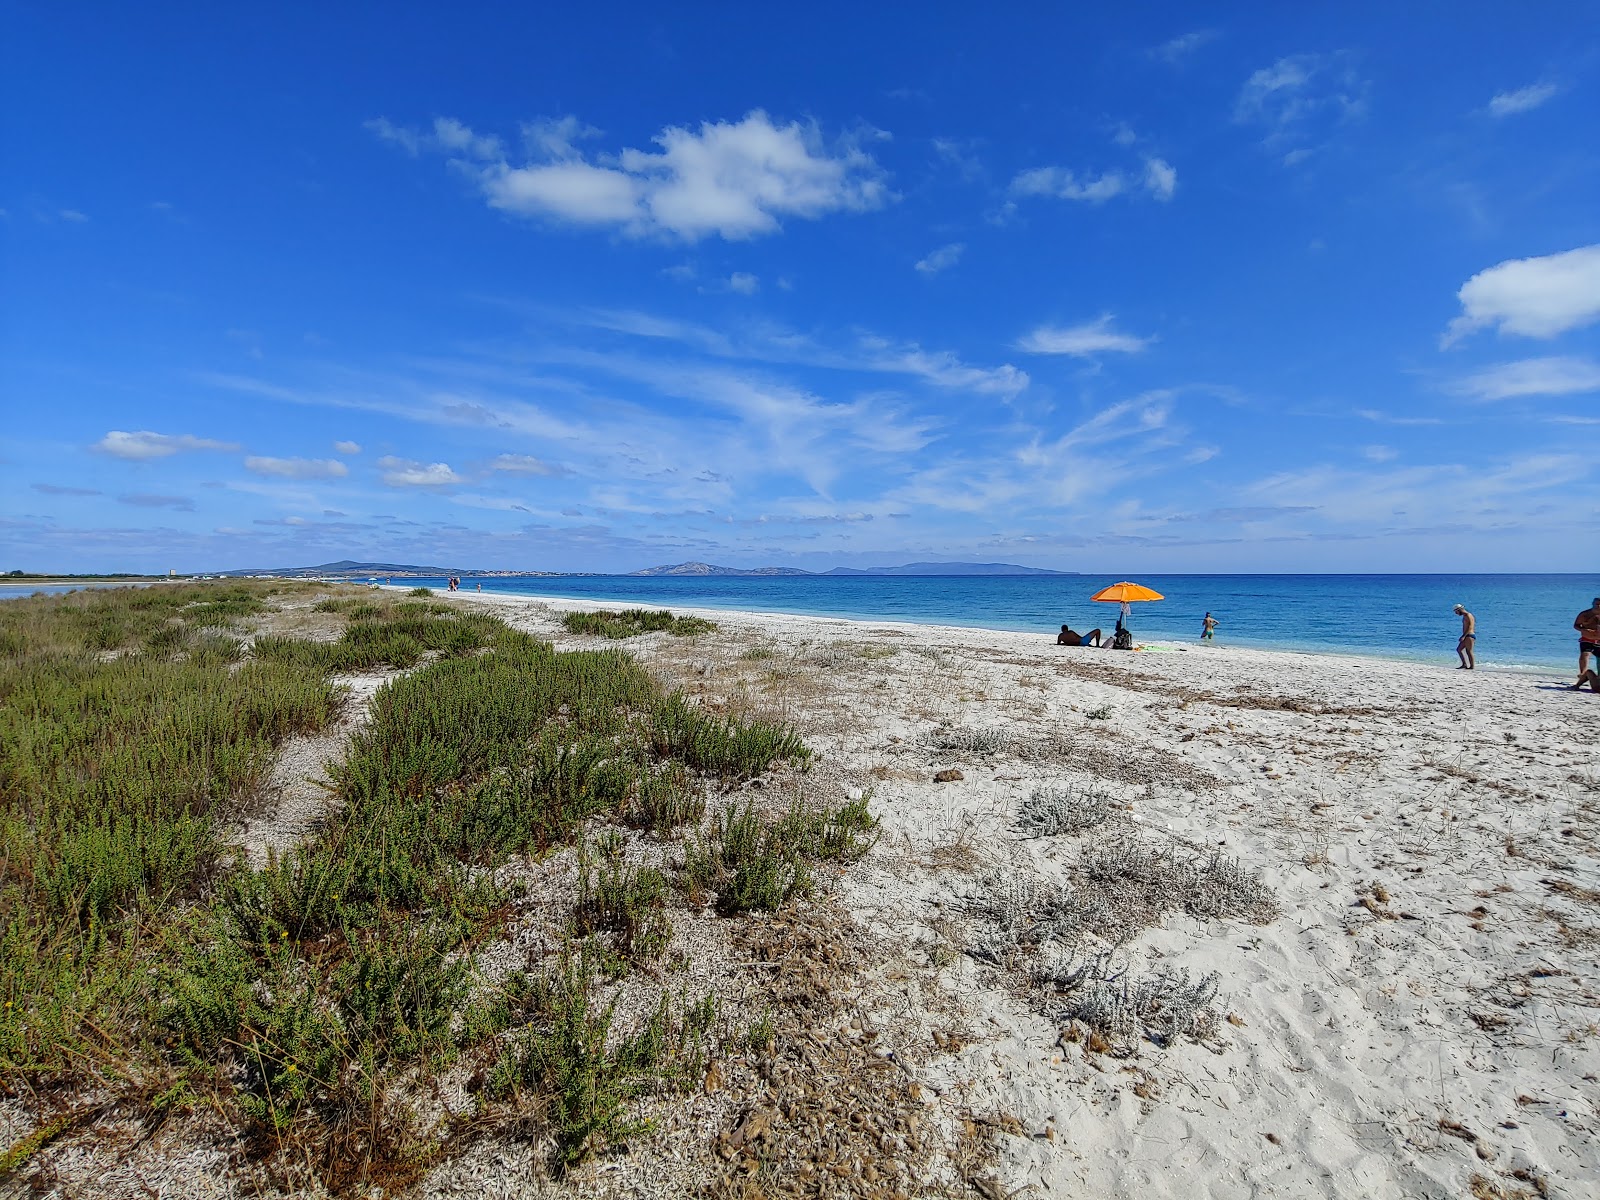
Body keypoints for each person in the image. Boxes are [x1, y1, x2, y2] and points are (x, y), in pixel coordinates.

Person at [1575, 597, 1600, 684]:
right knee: (1585, 655)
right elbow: (1576, 625)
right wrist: (1583, 630)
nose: (1598, 606)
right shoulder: (1585, 614)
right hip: (1587, 639)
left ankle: (1596, 678)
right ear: (1593, 604)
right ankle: (1582, 674)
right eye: (1597, 604)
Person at [1453, 604, 1476, 670]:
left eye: (1456, 612)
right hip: (1467, 635)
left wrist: (1463, 636)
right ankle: (1464, 664)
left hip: (1469, 635)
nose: (1456, 613)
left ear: (1459, 610)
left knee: (1469, 651)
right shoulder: (1465, 616)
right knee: (1459, 649)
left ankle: (1472, 666)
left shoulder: (1468, 615)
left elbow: (1470, 626)